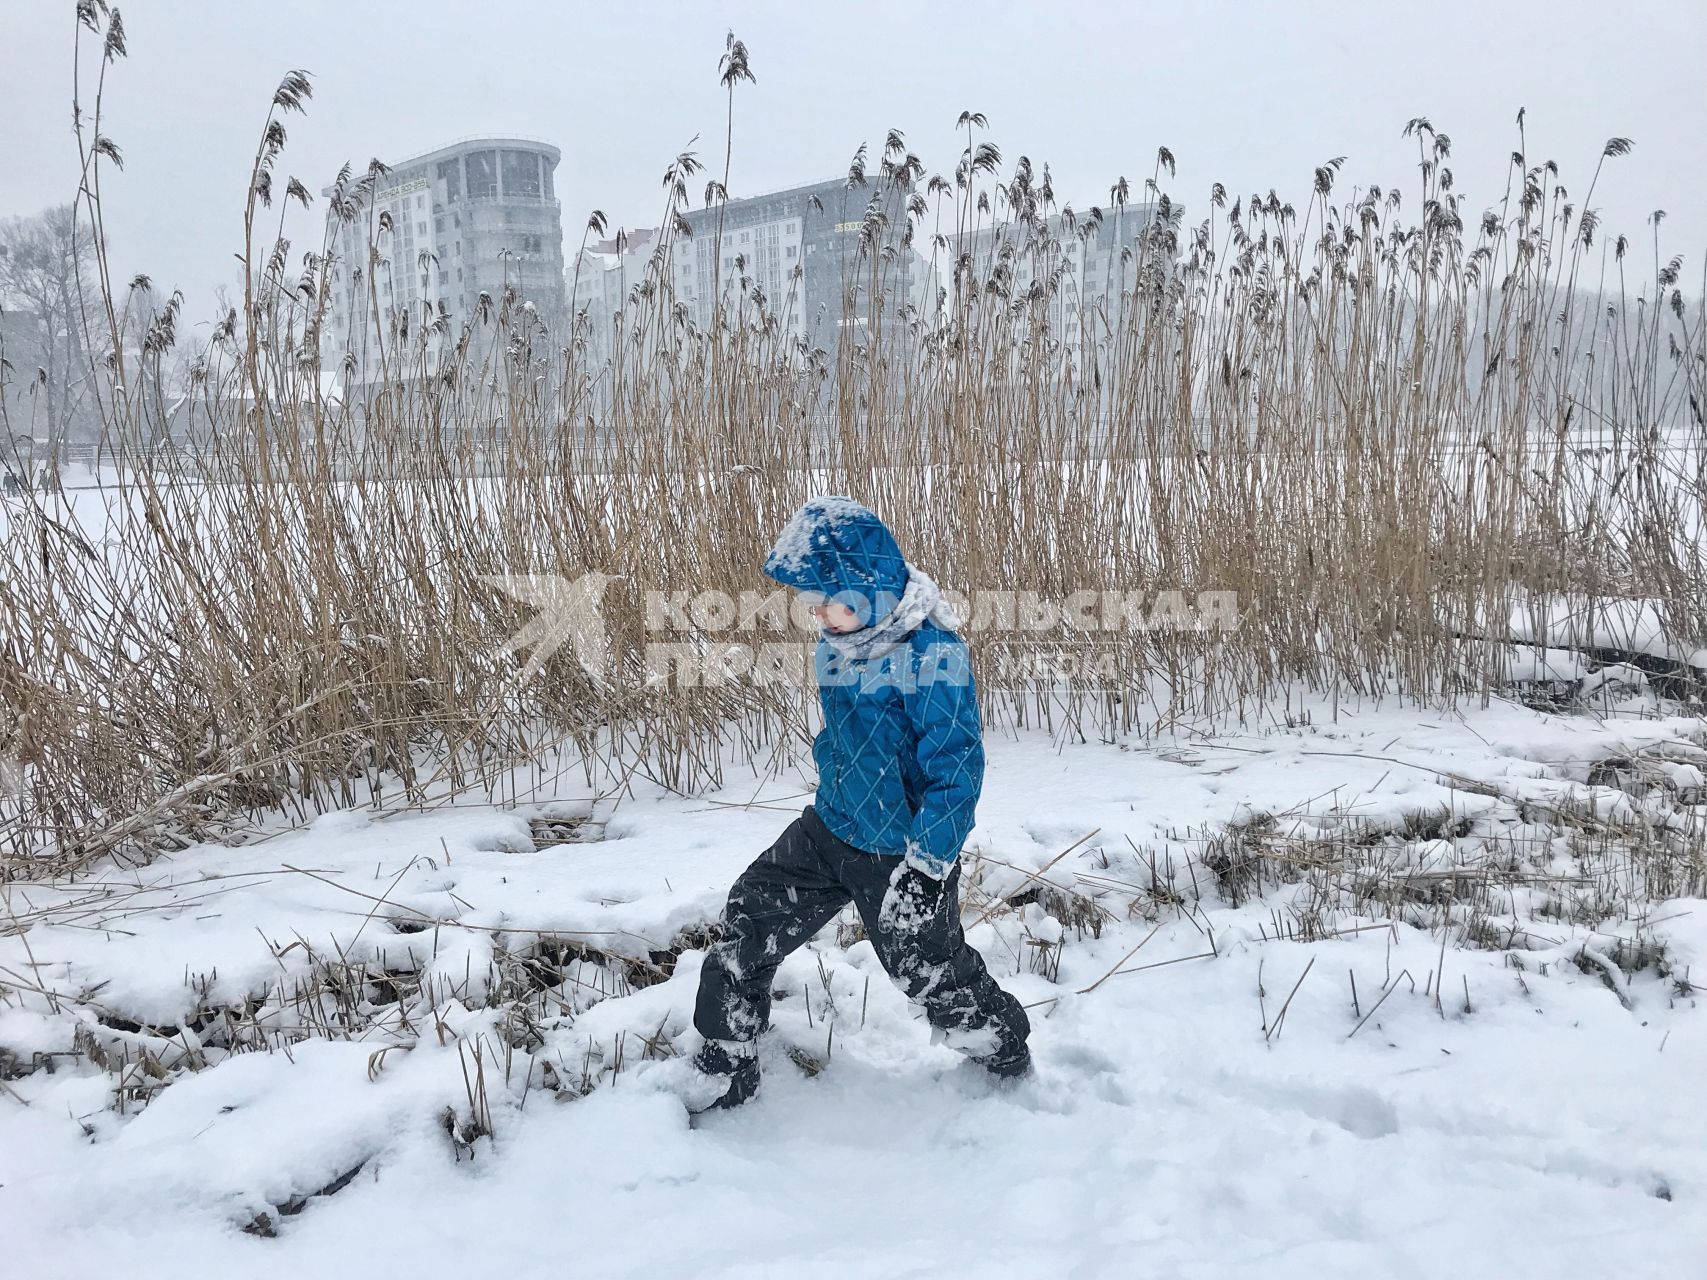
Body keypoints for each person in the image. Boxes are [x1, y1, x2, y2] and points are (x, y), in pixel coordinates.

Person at [687, 495, 1031, 1110]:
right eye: (812, 600)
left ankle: (1005, 1054)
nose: (818, 612)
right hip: (830, 828)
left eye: (832, 598)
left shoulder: (933, 655)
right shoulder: (837, 644)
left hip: (898, 853)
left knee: (927, 973)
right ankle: (725, 1061)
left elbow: (957, 768)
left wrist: (928, 866)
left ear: (871, 588)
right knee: (748, 918)